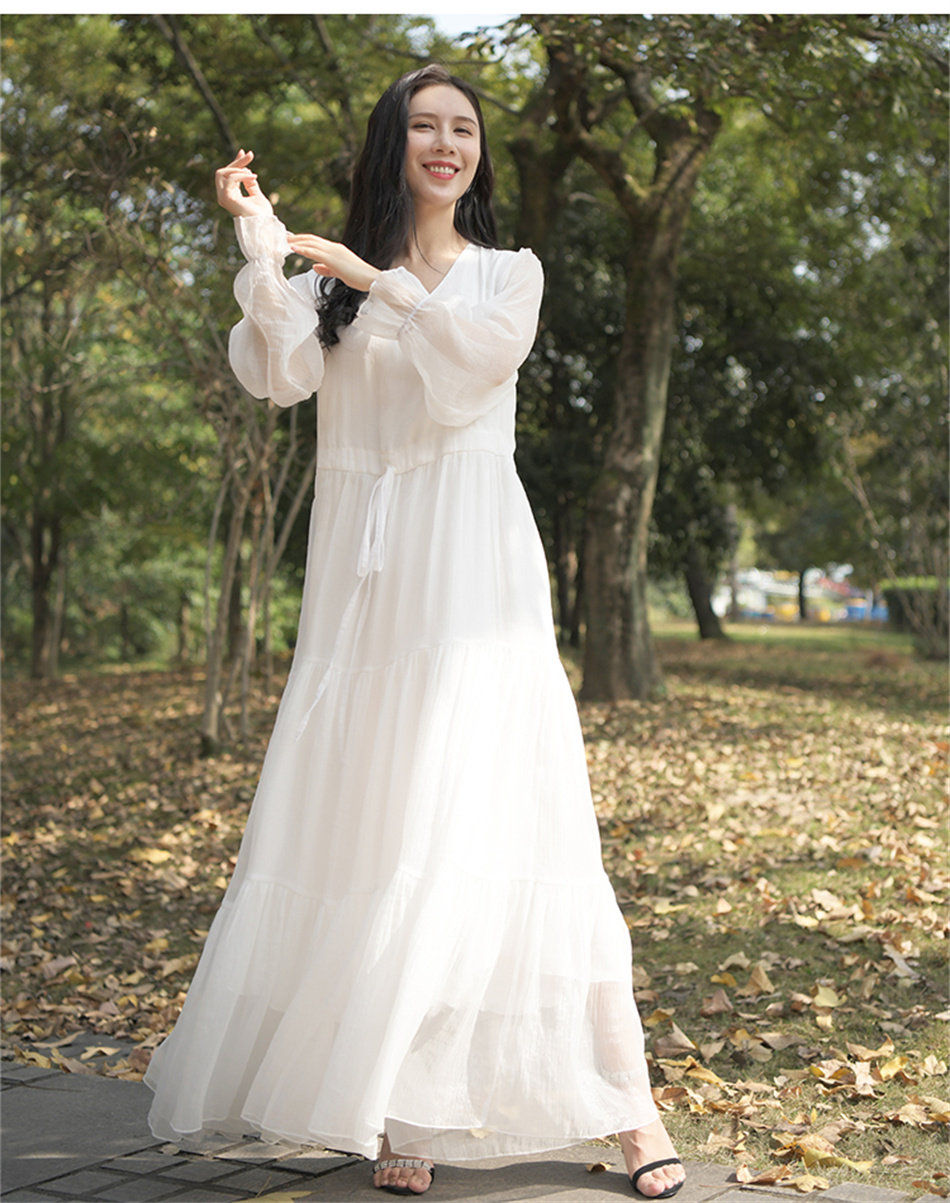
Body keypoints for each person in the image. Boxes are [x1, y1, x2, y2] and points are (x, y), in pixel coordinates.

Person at [144, 64, 685, 1200]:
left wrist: (375, 280)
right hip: (364, 589)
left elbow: (469, 373)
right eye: (425, 126)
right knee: (386, 828)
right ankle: (408, 1103)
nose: (447, 144)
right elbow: (278, 376)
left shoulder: (506, 273)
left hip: (474, 575)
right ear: (391, 144)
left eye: (463, 129)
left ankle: (629, 1111)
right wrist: (261, 244)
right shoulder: (329, 288)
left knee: (518, 827)